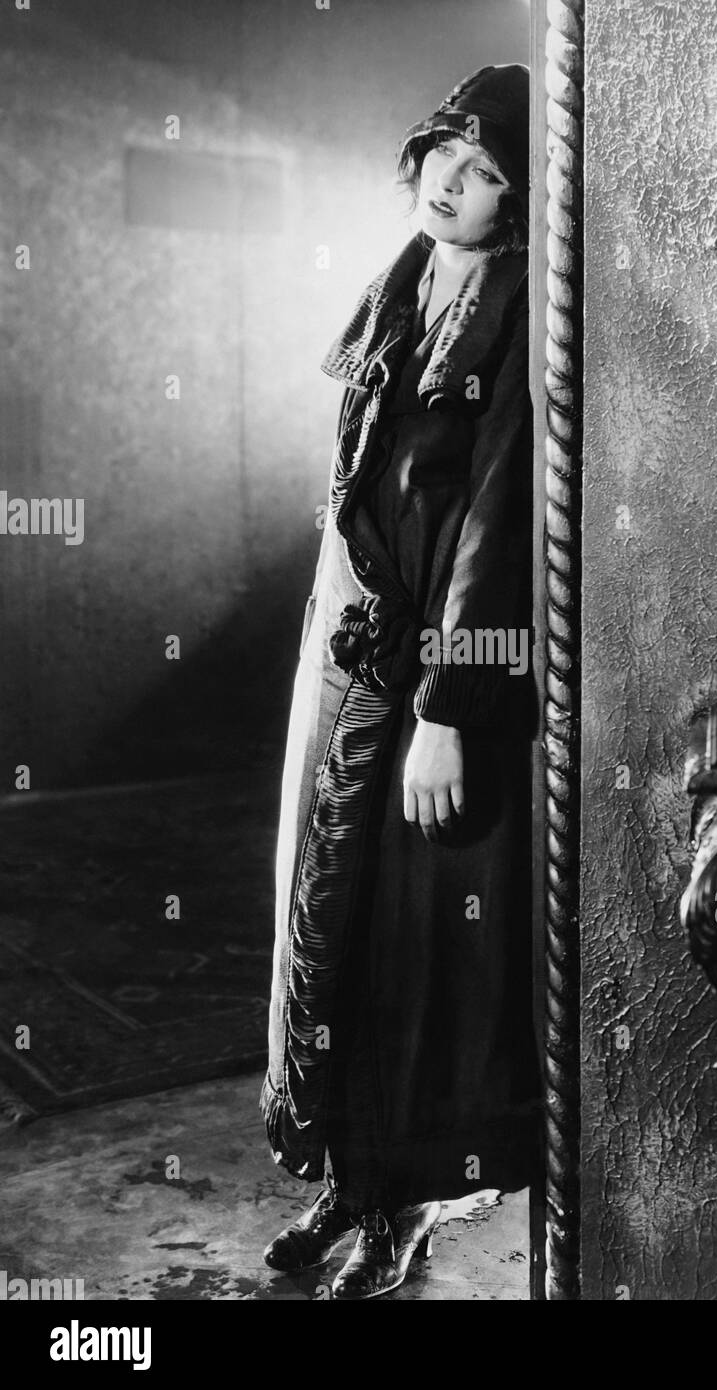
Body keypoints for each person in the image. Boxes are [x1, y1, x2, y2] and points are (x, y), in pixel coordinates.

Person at [260, 63, 541, 1301]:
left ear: (517, 205)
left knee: (420, 950)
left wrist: (446, 711)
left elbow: (492, 525)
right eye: (447, 153)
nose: (453, 183)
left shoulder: (521, 312)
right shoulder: (398, 286)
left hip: (440, 676)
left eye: (486, 174)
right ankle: (350, 1180)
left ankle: (404, 1207)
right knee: (334, 921)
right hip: (354, 653)